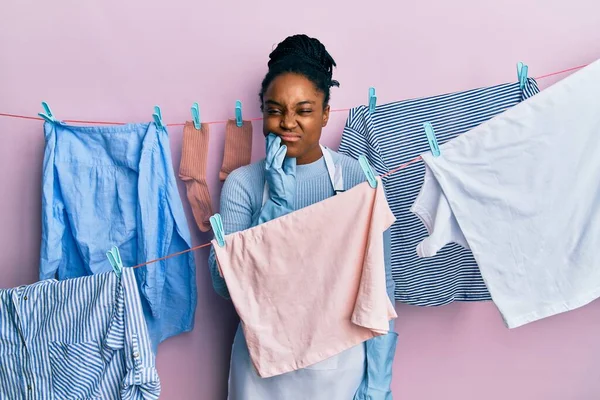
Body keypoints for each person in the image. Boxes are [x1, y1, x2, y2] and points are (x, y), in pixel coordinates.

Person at [208, 34, 397, 400]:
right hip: (261, 374)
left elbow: (381, 287)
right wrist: (276, 203)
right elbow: (223, 285)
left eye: (304, 110)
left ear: (326, 113)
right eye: (275, 110)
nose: (287, 123)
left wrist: (377, 385)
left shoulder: (359, 179)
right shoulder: (243, 184)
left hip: (338, 368)